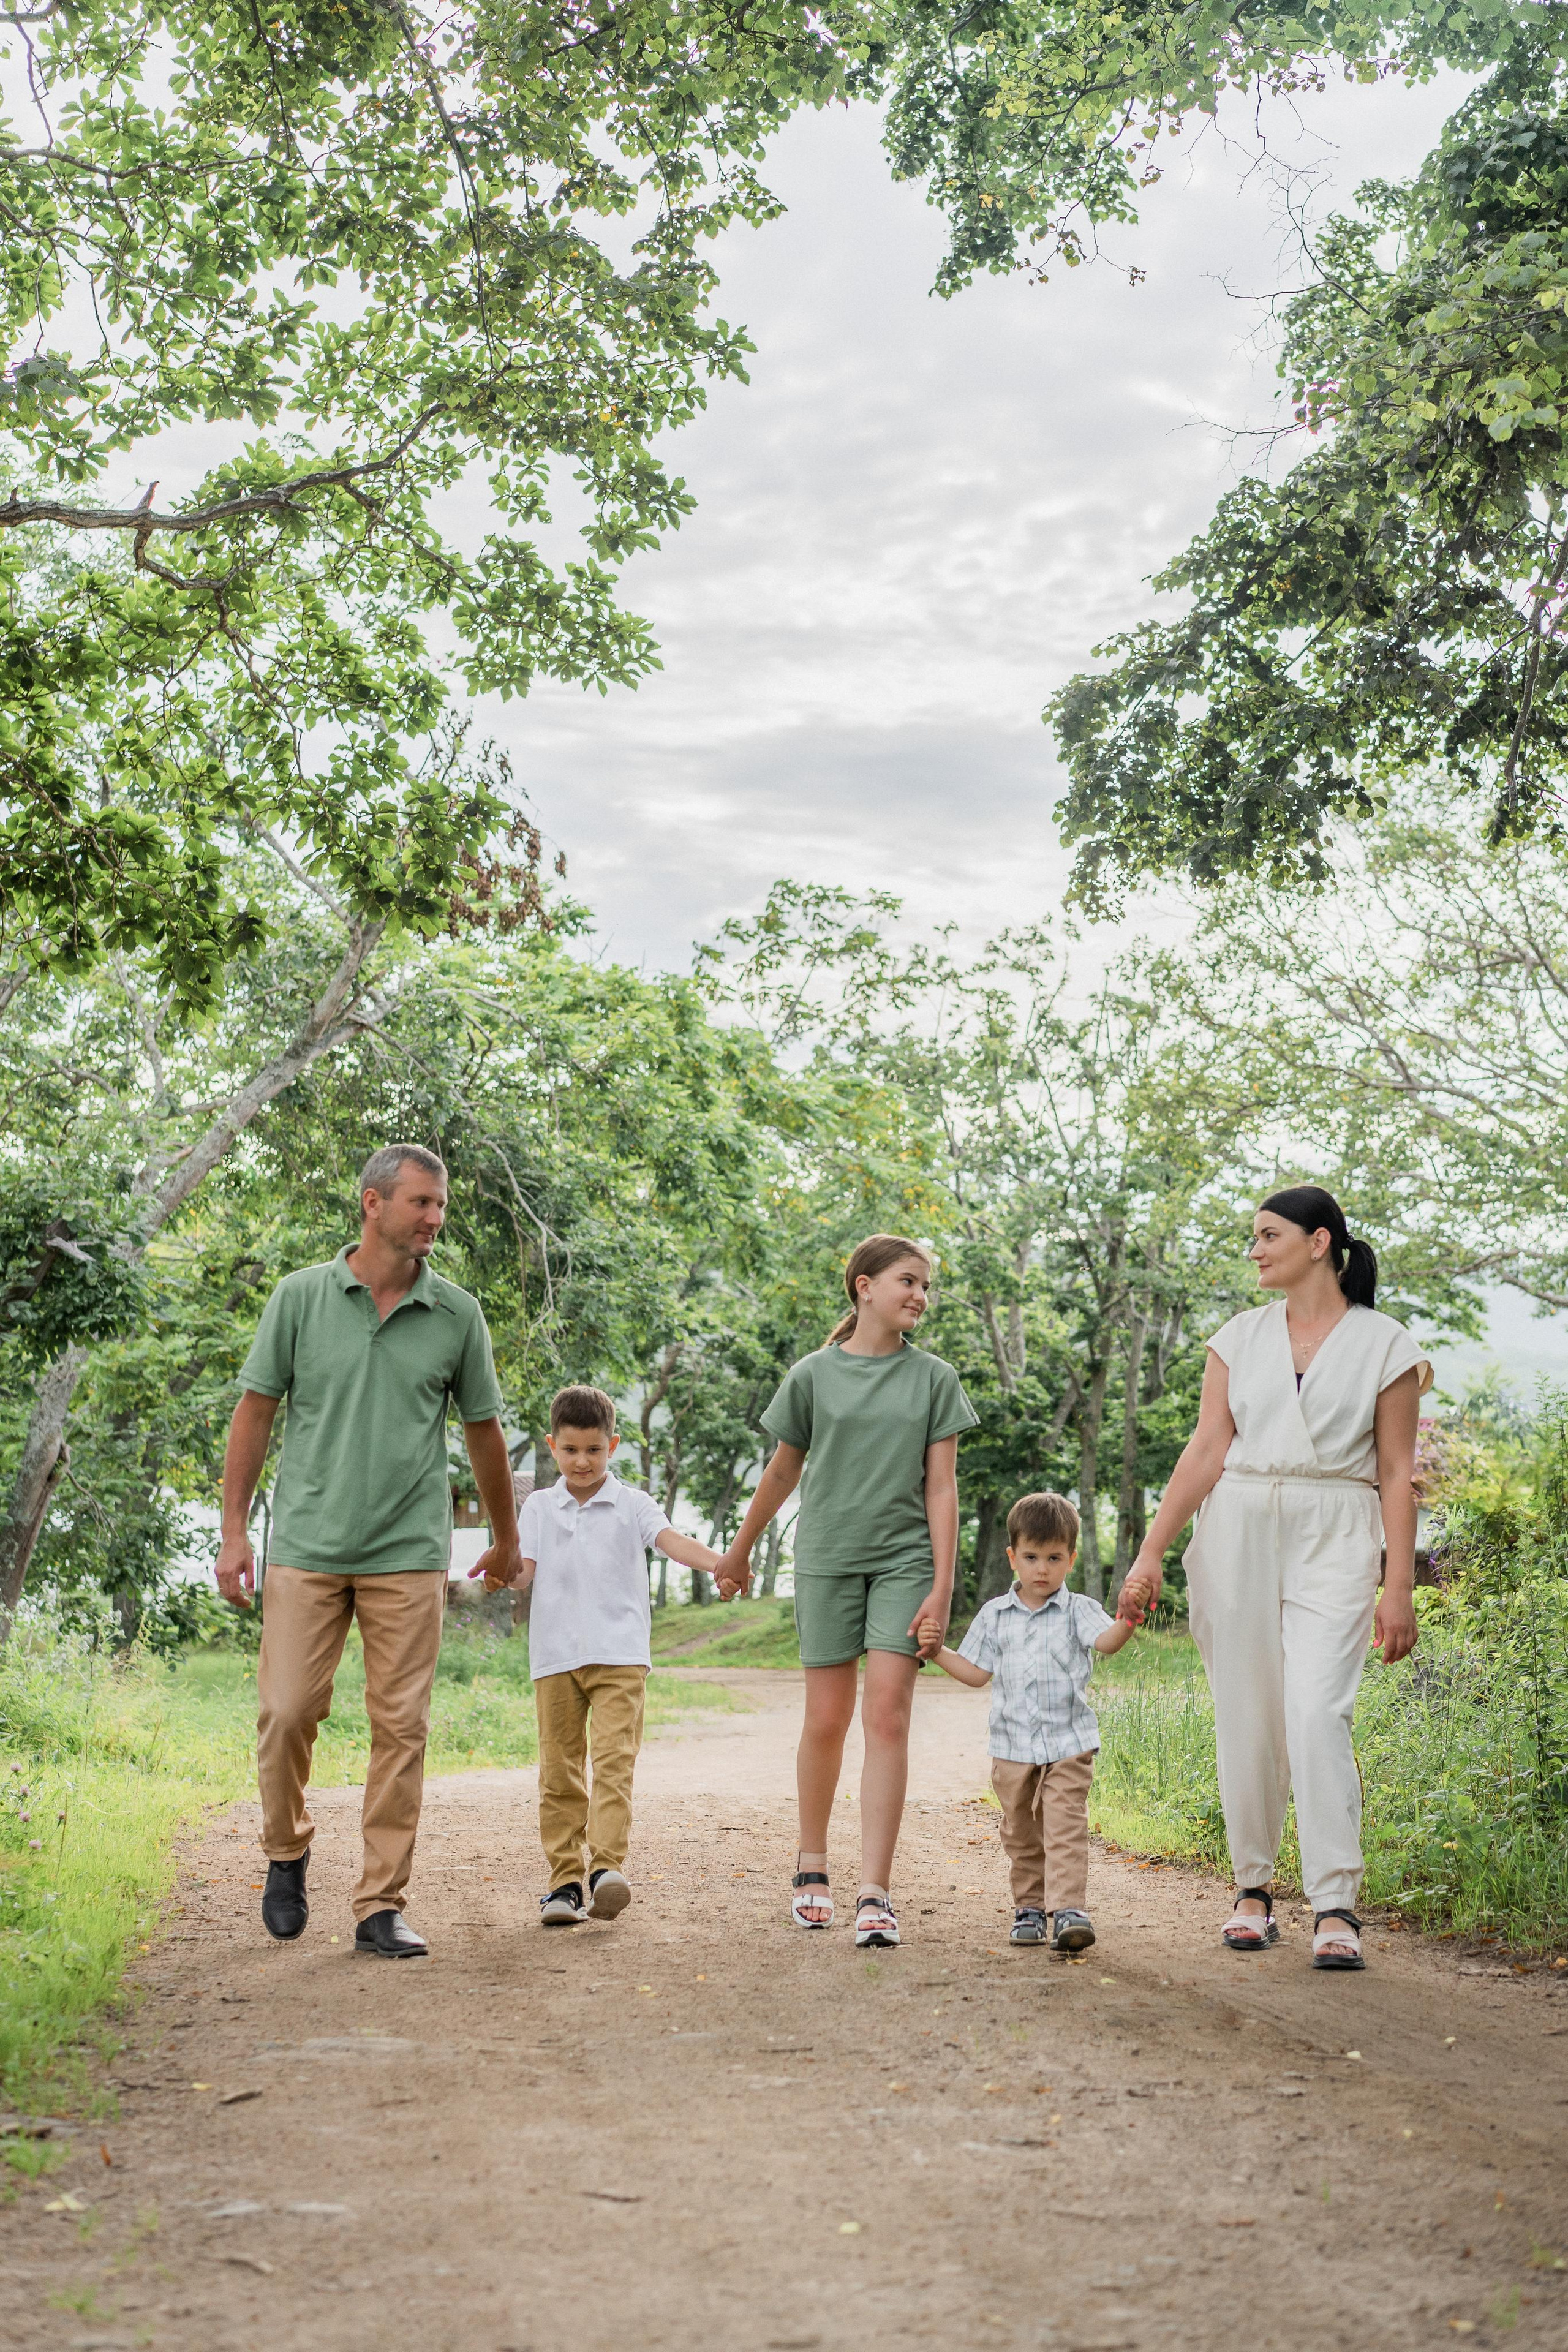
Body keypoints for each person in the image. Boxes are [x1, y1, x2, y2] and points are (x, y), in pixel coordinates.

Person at [216, 1144, 522, 1959]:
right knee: (286, 1714)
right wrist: (236, 1532)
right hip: (307, 1547)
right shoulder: (300, 1299)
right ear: (373, 1204)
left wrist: (504, 1537)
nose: (434, 1218)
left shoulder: (457, 1314)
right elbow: (254, 1414)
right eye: (421, 1202)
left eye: (441, 1205)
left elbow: (484, 1433)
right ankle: (287, 1851)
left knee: (402, 1727)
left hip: (407, 1552)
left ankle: (380, 1905)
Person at [1118, 1185, 1430, 1973]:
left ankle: (1335, 1902)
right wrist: (1152, 1551)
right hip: (1240, 1527)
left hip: (1336, 1528)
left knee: (1318, 1710)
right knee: (1247, 1712)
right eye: (1251, 1238)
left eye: (1267, 1235)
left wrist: (1397, 1585)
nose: (1254, 1250)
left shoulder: (1384, 1343)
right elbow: (1205, 1451)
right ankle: (1251, 1889)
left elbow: (1398, 1472)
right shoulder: (1237, 1337)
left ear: (1319, 1242)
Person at [714, 1235, 978, 1948]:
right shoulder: (811, 1376)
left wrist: (943, 1587)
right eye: (908, 1281)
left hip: (904, 1564)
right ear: (864, 1287)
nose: (921, 1295)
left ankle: (875, 1891)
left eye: (926, 1285)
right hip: (827, 1559)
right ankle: (811, 1867)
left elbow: (942, 1487)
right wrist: (739, 1551)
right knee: (826, 1720)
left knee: (886, 1716)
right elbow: (779, 1473)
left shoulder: (934, 1379)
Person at [480, 1384, 722, 1926]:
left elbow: (671, 1541)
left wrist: (721, 1564)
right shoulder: (540, 1506)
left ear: (612, 1445)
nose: (582, 1461)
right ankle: (563, 1883)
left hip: (620, 1655)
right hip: (555, 1658)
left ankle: (605, 1871)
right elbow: (524, 1571)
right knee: (559, 1771)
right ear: (552, 1446)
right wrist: (500, 1572)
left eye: (593, 1450)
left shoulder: (633, 1503)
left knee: (614, 1764)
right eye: (570, 1451)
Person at [924, 1491, 1138, 1952]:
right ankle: (1029, 1908)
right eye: (1032, 1557)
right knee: (1020, 1831)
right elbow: (977, 1673)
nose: (1043, 1568)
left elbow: (1106, 1642)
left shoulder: (1079, 1610)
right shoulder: (995, 1616)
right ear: (1012, 1557)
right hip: (1012, 1747)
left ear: (1071, 1558)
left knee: (1064, 1825)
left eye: (1054, 1557)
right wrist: (937, 1651)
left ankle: (1068, 1912)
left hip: (1069, 1743)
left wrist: (1128, 1619)